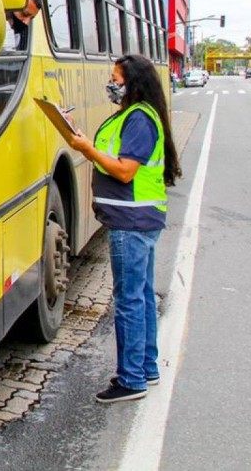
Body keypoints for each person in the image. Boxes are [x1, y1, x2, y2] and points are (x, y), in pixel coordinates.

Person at [65, 54, 182, 403]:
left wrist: (86, 148)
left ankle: (131, 380)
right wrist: (83, 139)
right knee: (141, 296)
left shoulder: (139, 119)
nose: (111, 84)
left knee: (129, 300)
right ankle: (146, 368)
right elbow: (112, 156)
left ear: (133, 83)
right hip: (137, 219)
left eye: (116, 78)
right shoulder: (131, 117)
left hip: (132, 221)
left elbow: (124, 170)